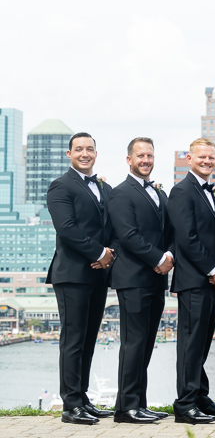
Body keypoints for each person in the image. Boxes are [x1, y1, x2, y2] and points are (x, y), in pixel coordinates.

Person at [46, 132, 116, 425]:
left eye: (90, 149)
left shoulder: (105, 187)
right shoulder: (60, 186)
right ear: (69, 154)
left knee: (88, 339)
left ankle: (83, 398)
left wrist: (110, 253)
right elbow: (67, 229)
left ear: (96, 153)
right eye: (79, 149)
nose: (84, 153)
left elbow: (113, 225)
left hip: (99, 275)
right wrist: (100, 252)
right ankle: (70, 404)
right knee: (73, 339)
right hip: (72, 274)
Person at [108, 137, 173, 424]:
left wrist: (170, 254)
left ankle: (140, 403)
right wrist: (160, 259)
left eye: (150, 155)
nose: (146, 160)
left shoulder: (160, 192)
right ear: (129, 160)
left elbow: (169, 230)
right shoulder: (121, 193)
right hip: (133, 278)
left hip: (156, 280)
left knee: (146, 343)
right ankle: (125, 408)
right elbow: (127, 235)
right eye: (140, 156)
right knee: (133, 343)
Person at [168, 138, 215, 424]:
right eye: (202, 157)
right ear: (189, 159)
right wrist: (212, 270)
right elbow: (187, 238)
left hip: (214, 280)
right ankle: (184, 404)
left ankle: (199, 396)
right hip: (194, 280)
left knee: (204, 342)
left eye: (211, 157)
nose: (207, 161)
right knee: (191, 343)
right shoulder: (181, 191)